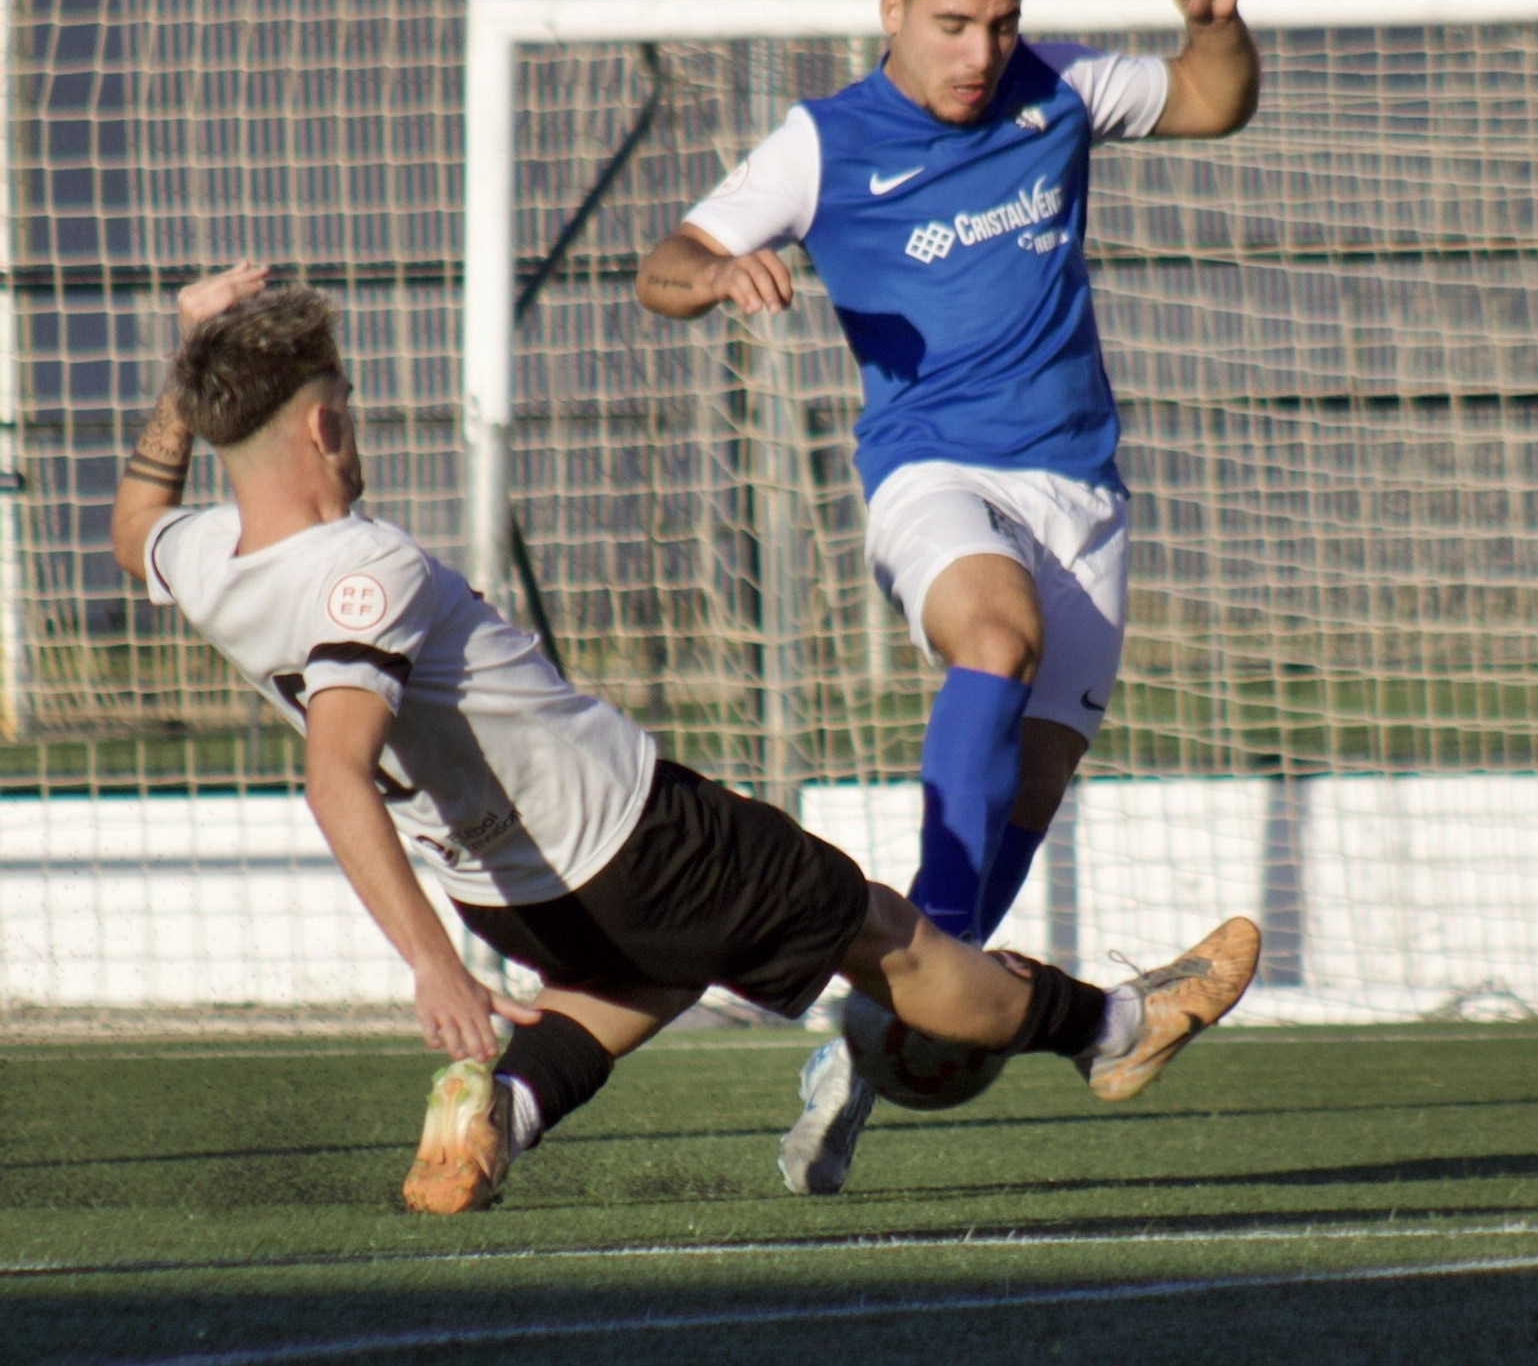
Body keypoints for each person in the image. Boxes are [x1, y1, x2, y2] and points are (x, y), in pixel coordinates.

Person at [109, 264, 1260, 1213]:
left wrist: (190, 356)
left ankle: (495, 1117)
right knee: (888, 937)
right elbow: (334, 771)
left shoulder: (210, 559)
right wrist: (429, 966)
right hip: (638, 836)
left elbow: (134, 528)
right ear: (325, 423)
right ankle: (1108, 1027)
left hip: (507, 884)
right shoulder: (363, 568)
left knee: (643, 975)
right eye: (346, 408)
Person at [636, 0, 1260, 1194]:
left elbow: (1212, 102)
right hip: (931, 471)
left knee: (1008, 821)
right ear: (892, 11)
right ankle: (1034, 1024)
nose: (980, 51)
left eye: (1001, 21)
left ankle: (862, 1053)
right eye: (953, 23)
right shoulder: (824, 143)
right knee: (994, 636)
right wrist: (721, 277)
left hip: (1084, 495)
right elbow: (669, 259)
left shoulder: (1062, 85)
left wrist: (1217, 25)